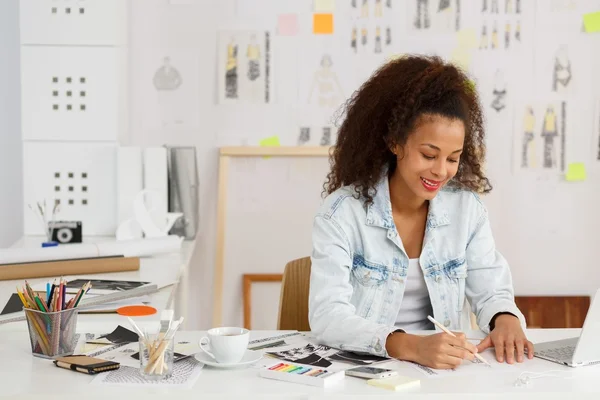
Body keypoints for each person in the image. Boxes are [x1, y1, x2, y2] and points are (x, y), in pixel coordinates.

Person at [308, 55, 534, 370]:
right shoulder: (342, 214)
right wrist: (409, 346)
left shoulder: (466, 211)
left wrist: (505, 318)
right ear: (395, 142)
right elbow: (327, 316)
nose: (441, 171)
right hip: (365, 373)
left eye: (453, 158)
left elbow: (491, 287)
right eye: (429, 154)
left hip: (442, 374)